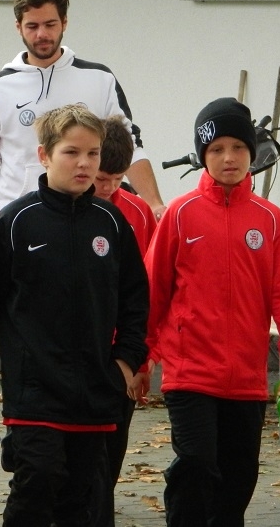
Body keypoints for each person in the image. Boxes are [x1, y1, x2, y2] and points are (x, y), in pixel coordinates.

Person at [0, 105, 150, 527]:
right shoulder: (16, 221)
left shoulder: (112, 222)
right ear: (44, 155)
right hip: (34, 393)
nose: (84, 164)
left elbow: (136, 300)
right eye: (71, 152)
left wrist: (126, 361)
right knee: (37, 483)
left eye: (92, 154)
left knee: (82, 500)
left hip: (96, 392)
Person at [144, 97, 280, 527]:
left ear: (252, 153)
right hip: (189, 374)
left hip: (247, 381)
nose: (229, 158)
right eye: (217, 149)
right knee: (196, 466)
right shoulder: (180, 214)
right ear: (203, 155)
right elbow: (151, 292)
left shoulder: (270, 220)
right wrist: (140, 357)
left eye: (238, 147)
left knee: (238, 481)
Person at [0, 0, 165, 218]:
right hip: (16, 220)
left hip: (85, 217)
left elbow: (129, 146)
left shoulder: (99, 79)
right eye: (32, 26)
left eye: (50, 24)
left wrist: (155, 204)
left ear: (65, 23)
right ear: (18, 27)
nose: (42, 34)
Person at [89, 115, 157, 527]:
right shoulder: (65, 207)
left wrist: (141, 362)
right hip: (77, 354)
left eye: (117, 179)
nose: (108, 187)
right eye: (102, 178)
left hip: (122, 356)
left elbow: (144, 293)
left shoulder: (139, 214)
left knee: (111, 454)